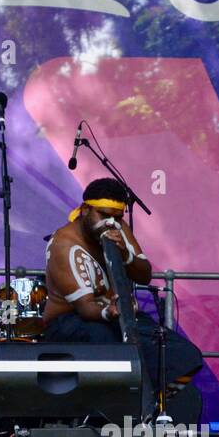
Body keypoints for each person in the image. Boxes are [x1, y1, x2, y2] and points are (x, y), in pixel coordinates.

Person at [42, 178, 204, 417]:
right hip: (70, 322)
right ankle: (118, 412)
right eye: (103, 215)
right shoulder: (64, 244)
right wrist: (112, 311)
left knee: (184, 354)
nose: (110, 222)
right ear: (85, 210)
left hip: (116, 317)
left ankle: (153, 405)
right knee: (110, 344)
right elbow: (86, 308)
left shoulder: (115, 227)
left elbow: (145, 274)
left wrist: (125, 255)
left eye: (117, 217)